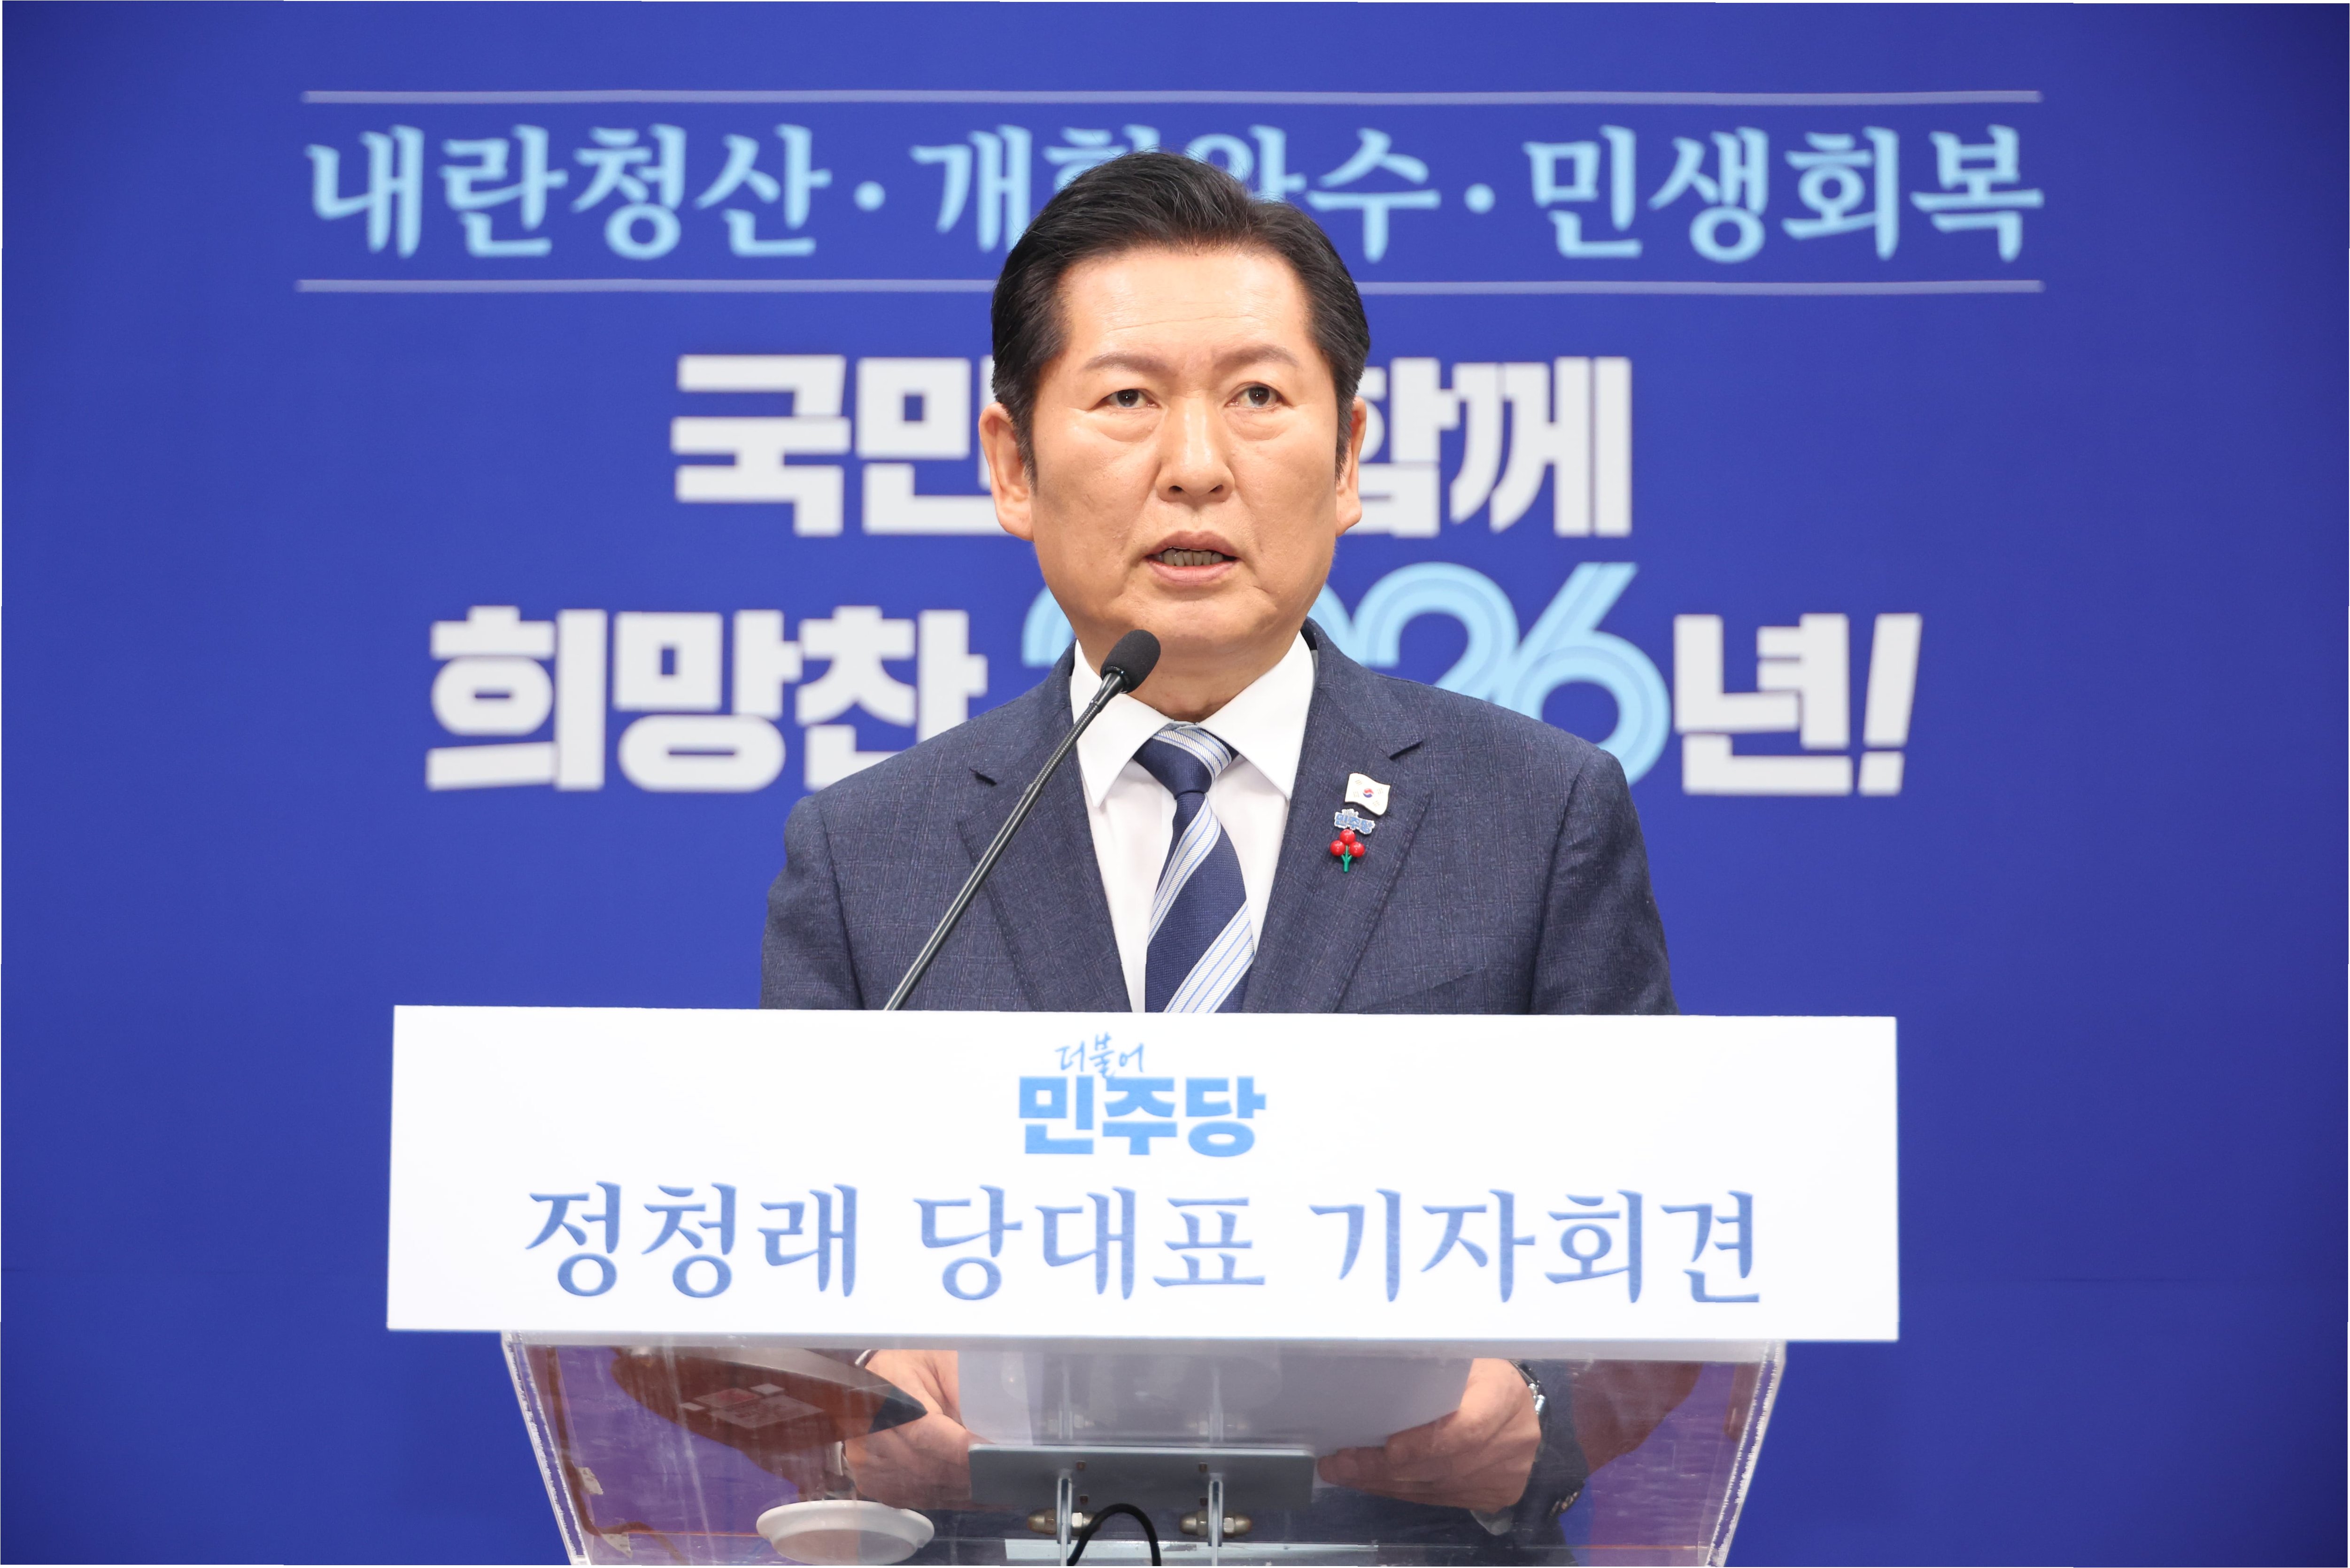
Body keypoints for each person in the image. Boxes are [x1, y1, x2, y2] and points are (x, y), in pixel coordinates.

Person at [761, 151, 1678, 1554]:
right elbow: (796, 1268)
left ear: (1349, 455)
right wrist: (867, 1387)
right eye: (1127, 399)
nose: (1195, 464)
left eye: (1256, 396)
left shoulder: (1535, 812)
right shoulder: (871, 854)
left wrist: (1534, 1418)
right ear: (1012, 464)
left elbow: (1657, 1242)